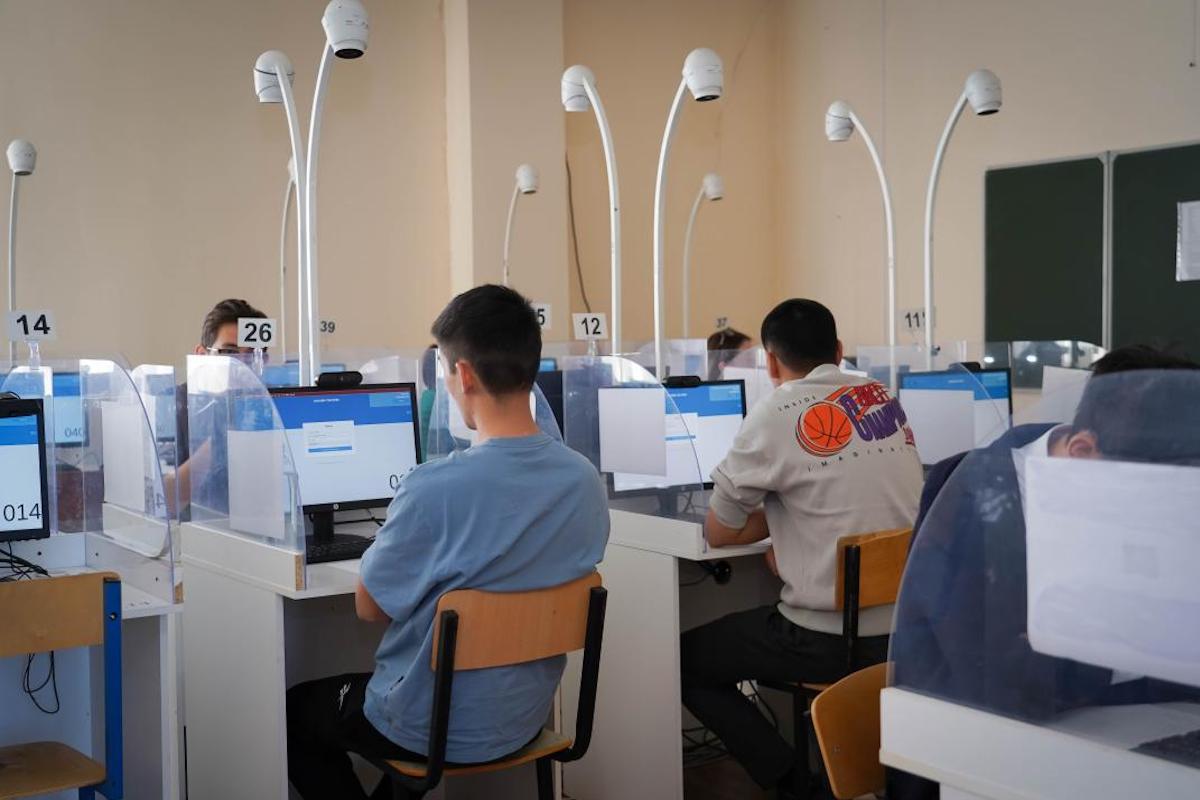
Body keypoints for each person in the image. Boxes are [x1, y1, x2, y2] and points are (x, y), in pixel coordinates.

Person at [284, 285, 610, 800]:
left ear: (463, 375)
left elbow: (369, 608)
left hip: (429, 728)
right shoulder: (585, 481)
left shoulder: (431, 488)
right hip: (524, 718)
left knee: (292, 713)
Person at [888, 344, 1200, 800]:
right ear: (1082, 450)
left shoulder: (1132, 477)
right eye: (1150, 501)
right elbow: (1006, 687)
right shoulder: (973, 499)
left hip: (1114, 743)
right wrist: (1139, 640)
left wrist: (1073, 646)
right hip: (972, 763)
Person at [681, 299, 923, 794]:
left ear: (770, 362)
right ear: (838, 351)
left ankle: (795, 784)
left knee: (685, 661)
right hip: (906, 632)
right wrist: (794, 532)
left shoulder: (774, 412)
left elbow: (720, 531)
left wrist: (783, 530)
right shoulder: (882, 397)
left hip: (828, 639)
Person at [170, 299, 268, 517]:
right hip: (196, 530)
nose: (241, 365)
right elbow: (164, 500)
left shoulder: (267, 407)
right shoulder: (174, 406)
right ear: (202, 355)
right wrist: (218, 442)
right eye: (229, 352)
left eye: (252, 355)